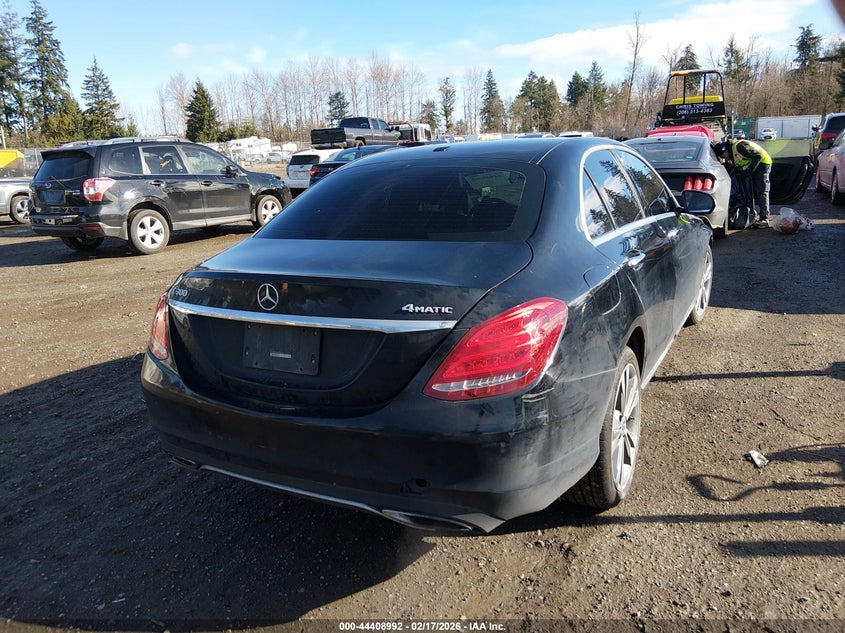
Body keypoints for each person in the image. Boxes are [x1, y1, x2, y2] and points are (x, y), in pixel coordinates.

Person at [714, 137, 773, 229]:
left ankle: (764, 218)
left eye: (723, 156)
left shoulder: (740, 146)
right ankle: (752, 216)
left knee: (762, 191)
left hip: (763, 164)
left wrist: (749, 171)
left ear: (725, 151)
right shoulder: (731, 153)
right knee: (751, 190)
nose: (724, 158)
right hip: (754, 167)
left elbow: (758, 156)